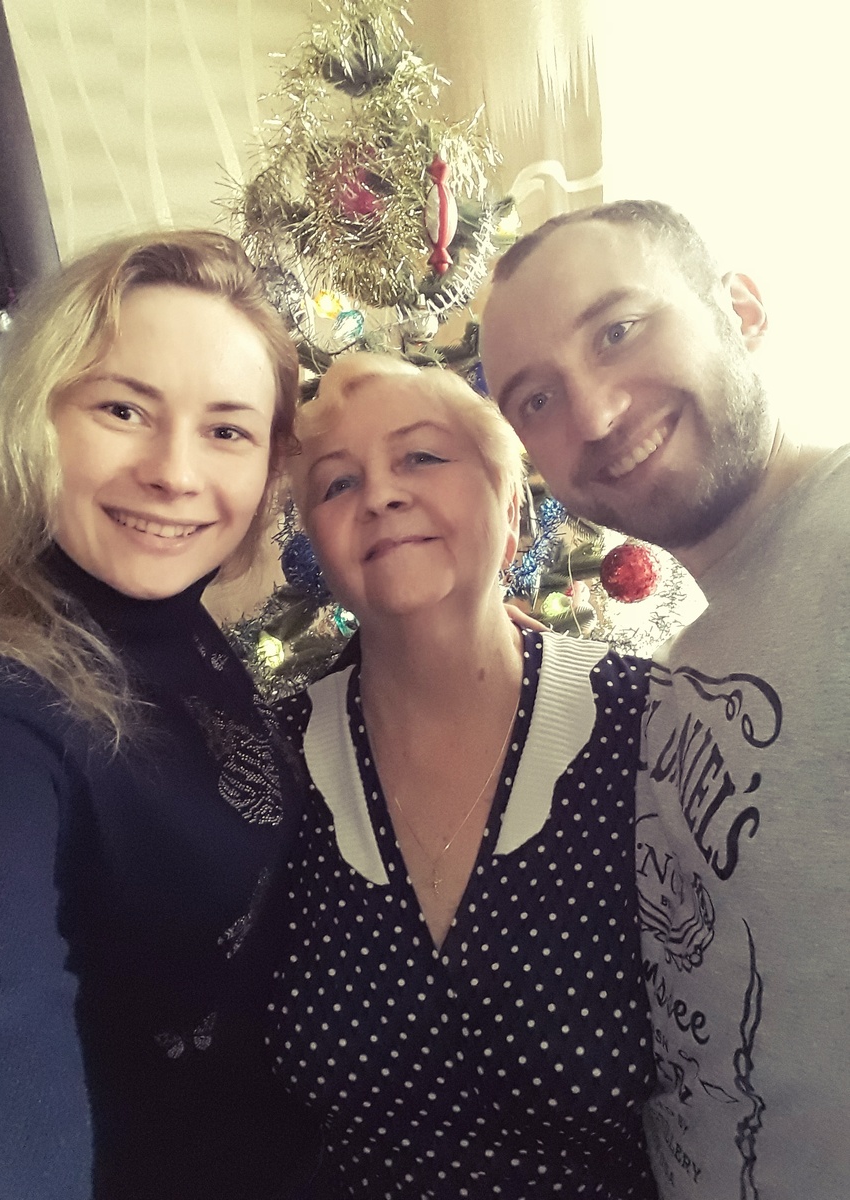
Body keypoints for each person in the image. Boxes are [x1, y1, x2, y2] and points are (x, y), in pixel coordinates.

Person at [479, 199, 850, 1199]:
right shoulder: (687, 659)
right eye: (535, 400)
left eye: (618, 330)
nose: (596, 415)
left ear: (743, 309)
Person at [0, 230, 319, 1199]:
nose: (174, 472)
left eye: (227, 431)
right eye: (123, 409)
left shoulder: (166, 619)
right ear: (36, 415)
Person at [265, 352, 659, 1198]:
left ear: (509, 507)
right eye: (338, 484)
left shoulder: (649, 726)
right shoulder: (271, 766)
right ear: (319, 548)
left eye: (421, 457)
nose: (379, 495)